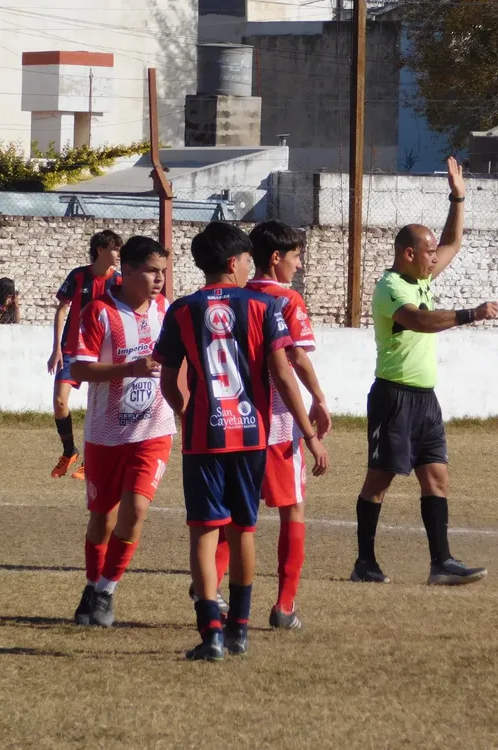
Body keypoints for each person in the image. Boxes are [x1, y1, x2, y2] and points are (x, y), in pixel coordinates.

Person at [154, 222, 329, 662]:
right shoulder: (263, 306)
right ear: (233, 263)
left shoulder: (181, 310)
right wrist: (309, 434)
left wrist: (185, 410)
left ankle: (210, 632)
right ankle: (239, 630)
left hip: (203, 437)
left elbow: (168, 378)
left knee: (203, 532)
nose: (251, 265)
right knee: (243, 529)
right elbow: (284, 373)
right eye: (248, 259)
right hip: (252, 435)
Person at [351, 156, 498, 587]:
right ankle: (365, 563)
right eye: (428, 252)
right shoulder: (391, 288)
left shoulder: (422, 276)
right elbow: (419, 320)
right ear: (409, 253)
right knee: (379, 481)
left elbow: (453, 241)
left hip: (424, 398)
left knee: (436, 476)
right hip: (393, 396)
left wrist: (458, 196)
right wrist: (471, 313)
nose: (437, 258)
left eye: (435, 252)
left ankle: (441, 563)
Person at [68, 236, 176, 628]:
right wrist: (128, 369)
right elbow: (78, 370)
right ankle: (93, 584)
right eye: (151, 270)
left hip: (154, 430)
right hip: (105, 434)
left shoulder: (167, 312)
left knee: (137, 511)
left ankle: (107, 590)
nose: (159, 279)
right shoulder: (99, 313)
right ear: (126, 271)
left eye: (162, 271)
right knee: (103, 519)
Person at [242, 220, 331, 630]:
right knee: (293, 509)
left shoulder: (236, 296)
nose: (299, 265)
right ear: (275, 258)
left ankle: (213, 591)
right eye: (295, 257)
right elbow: (294, 357)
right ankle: (284, 606)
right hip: (278, 422)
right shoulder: (287, 299)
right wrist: (319, 399)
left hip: (236, 420)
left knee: (233, 512)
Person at [46, 230, 122, 481]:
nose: (118, 253)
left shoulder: (119, 282)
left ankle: (93, 462)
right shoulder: (78, 276)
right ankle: (70, 451)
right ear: (101, 250)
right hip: (71, 350)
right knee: (59, 402)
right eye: (115, 248)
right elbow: (62, 310)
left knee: (100, 408)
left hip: (103, 351)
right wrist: (56, 348)